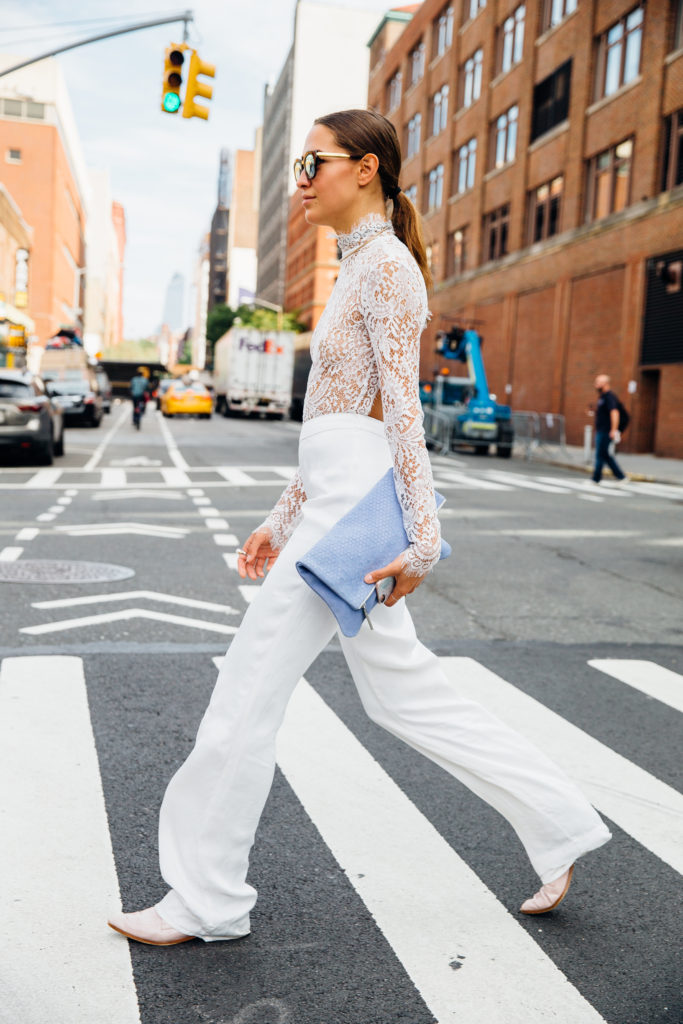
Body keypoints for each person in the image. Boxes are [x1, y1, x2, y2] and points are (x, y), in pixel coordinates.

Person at [108, 109, 611, 947]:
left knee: (245, 693)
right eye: (299, 164)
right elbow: (336, 424)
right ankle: (563, 824)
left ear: (367, 168)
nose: (302, 179)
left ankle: (206, 899)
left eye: (314, 161)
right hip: (336, 504)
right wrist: (280, 516)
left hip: (351, 517)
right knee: (399, 692)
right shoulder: (360, 267)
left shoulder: (385, 269)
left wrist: (421, 538)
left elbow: (400, 416)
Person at [592, 374, 627, 484]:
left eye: (598, 382)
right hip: (602, 430)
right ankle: (621, 477)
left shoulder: (609, 396)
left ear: (605, 383)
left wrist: (613, 430)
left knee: (600, 455)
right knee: (605, 455)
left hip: (605, 431)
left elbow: (614, 412)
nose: (595, 384)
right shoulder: (603, 397)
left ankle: (595, 479)